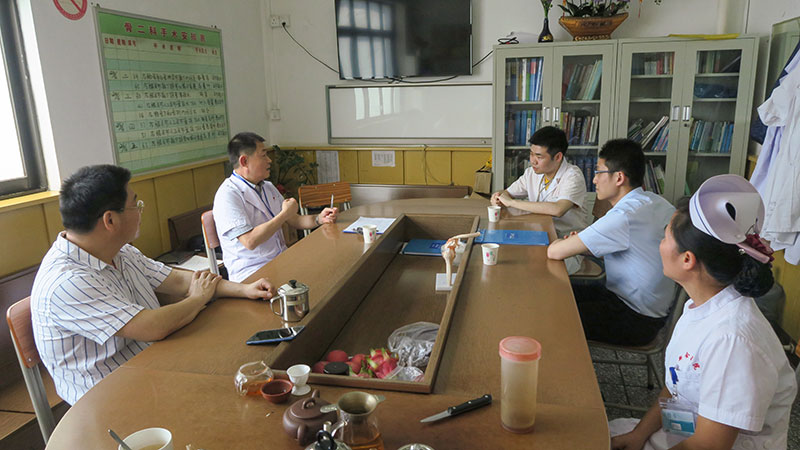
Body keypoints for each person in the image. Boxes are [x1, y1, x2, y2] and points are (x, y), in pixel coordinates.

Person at [31, 165, 276, 405]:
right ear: (110, 220)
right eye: (135, 205)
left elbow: (178, 280)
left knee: (242, 363)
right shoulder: (68, 282)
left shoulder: (120, 252)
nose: (141, 210)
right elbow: (152, 327)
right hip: (110, 401)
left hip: (154, 365)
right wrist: (197, 299)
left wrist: (245, 289)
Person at [610, 174, 796, 450]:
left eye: (665, 236)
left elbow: (708, 445)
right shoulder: (700, 306)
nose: (660, 244)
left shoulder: (732, 341)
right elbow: (678, 385)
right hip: (680, 434)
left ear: (687, 259)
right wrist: (638, 435)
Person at [547, 139, 675, 345]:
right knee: (558, 292)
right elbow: (633, 248)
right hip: (648, 309)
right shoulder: (656, 202)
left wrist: (567, 244)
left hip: (635, 319)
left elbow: (554, 252)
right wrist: (584, 244)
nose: (594, 180)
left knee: (551, 313)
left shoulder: (623, 215)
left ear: (619, 177)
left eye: (599, 172)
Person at [213, 132, 338, 282]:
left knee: (328, 269)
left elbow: (295, 220)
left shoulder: (267, 187)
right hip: (252, 273)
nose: (269, 160)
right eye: (263, 155)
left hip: (280, 260)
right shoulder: (228, 195)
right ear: (244, 161)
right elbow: (250, 241)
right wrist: (284, 214)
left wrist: (319, 219)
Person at [491, 126, 588, 274]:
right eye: (531, 154)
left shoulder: (573, 176)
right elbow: (507, 193)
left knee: (530, 269)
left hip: (566, 245)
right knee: (508, 257)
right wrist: (498, 197)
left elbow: (558, 209)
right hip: (537, 238)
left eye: (539, 157)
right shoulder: (532, 173)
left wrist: (512, 202)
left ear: (558, 157)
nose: (533, 161)